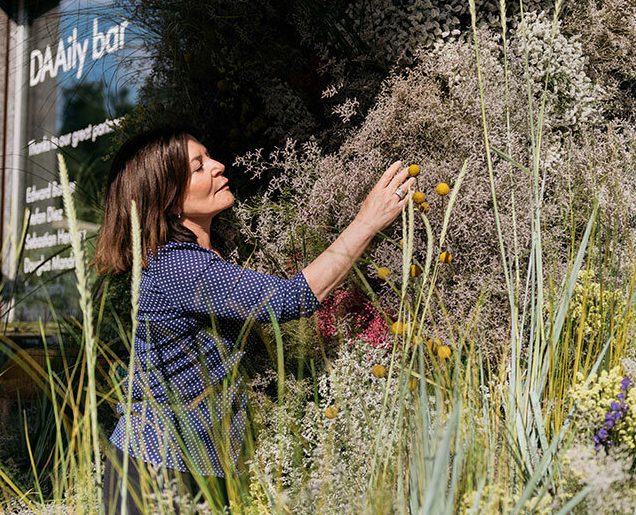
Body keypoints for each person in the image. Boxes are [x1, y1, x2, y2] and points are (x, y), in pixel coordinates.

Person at [92, 127, 415, 513]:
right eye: (198, 166)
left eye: (208, 156)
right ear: (169, 198)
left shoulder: (190, 260)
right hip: (155, 473)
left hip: (192, 464)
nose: (217, 166)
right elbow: (289, 299)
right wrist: (367, 221)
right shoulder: (178, 266)